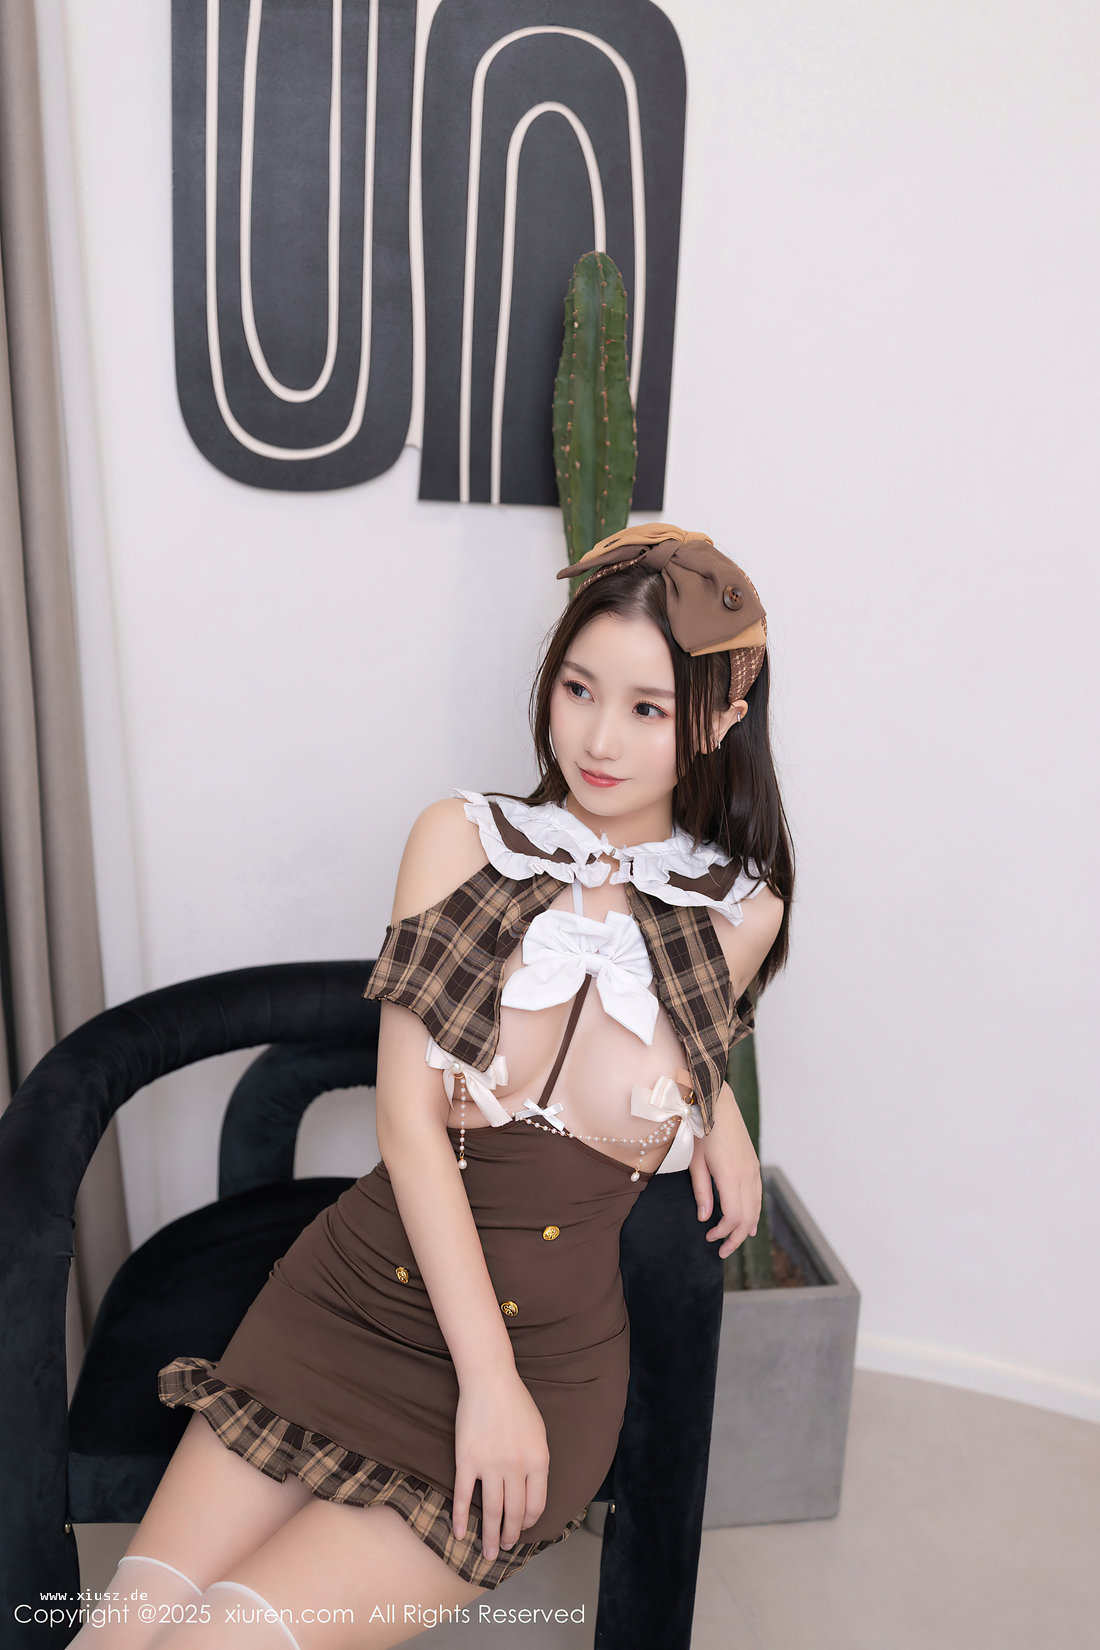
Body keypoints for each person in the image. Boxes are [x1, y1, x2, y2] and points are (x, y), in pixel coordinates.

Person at [72, 523, 793, 1648]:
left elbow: (671, 1027)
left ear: (718, 717)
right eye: (577, 688)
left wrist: (719, 1107)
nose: (598, 738)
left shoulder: (740, 915)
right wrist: (483, 1381)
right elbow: (409, 1123)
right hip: (349, 1305)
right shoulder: (460, 841)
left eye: (648, 709)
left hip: (546, 1372)